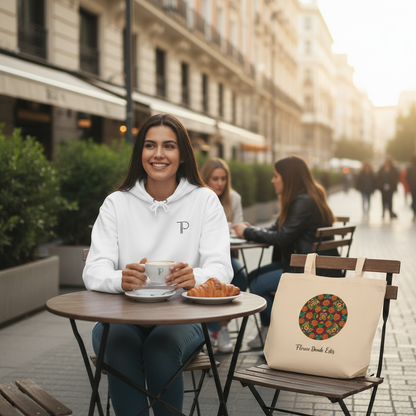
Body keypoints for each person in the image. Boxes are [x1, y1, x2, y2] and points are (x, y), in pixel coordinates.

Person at [82, 114, 233, 416]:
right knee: (118, 345)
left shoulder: (204, 201)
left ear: (183, 155)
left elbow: (221, 269)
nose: (159, 154)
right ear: (140, 153)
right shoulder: (116, 203)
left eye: (169, 146)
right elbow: (94, 270)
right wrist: (120, 279)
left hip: (183, 317)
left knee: (160, 349)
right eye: (150, 145)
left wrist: (196, 276)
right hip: (124, 316)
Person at [233, 155, 337, 349]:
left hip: (311, 268)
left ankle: (280, 334)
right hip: (304, 262)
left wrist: (247, 232)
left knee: (256, 284)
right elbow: (276, 229)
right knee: (253, 277)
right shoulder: (300, 198)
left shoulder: (303, 201)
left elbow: (282, 238)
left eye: (275, 176)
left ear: (287, 178)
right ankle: (268, 331)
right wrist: (251, 228)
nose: (272, 180)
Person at [200, 157, 247, 353]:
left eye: (223, 179)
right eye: (215, 178)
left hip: (228, 254)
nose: (220, 183)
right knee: (210, 279)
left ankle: (221, 328)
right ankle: (210, 329)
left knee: (240, 276)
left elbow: (238, 226)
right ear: (206, 179)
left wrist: (237, 229)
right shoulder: (198, 198)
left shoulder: (233, 198)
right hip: (201, 257)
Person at [406, 153, 416, 222]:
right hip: (413, 187)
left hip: (412, 186)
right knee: (414, 201)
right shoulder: (411, 167)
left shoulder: (410, 167)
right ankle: (414, 214)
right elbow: (407, 177)